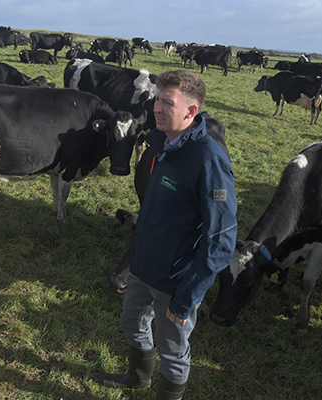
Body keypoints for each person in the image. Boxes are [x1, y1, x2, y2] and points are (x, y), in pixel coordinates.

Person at [99, 70, 237, 400]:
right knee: (131, 324)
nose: (157, 108)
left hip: (175, 281)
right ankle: (138, 378)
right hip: (143, 267)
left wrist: (188, 294)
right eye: (157, 100)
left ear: (191, 111)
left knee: (173, 349)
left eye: (167, 103)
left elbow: (221, 239)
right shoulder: (162, 143)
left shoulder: (208, 160)